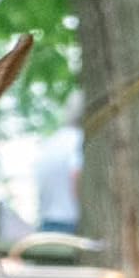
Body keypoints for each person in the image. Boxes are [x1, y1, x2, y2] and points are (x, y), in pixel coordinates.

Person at [34, 91, 84, 235]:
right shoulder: (79, 141)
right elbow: (76, 176)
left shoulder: (51, 142)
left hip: (46, 223)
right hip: (71, 224)